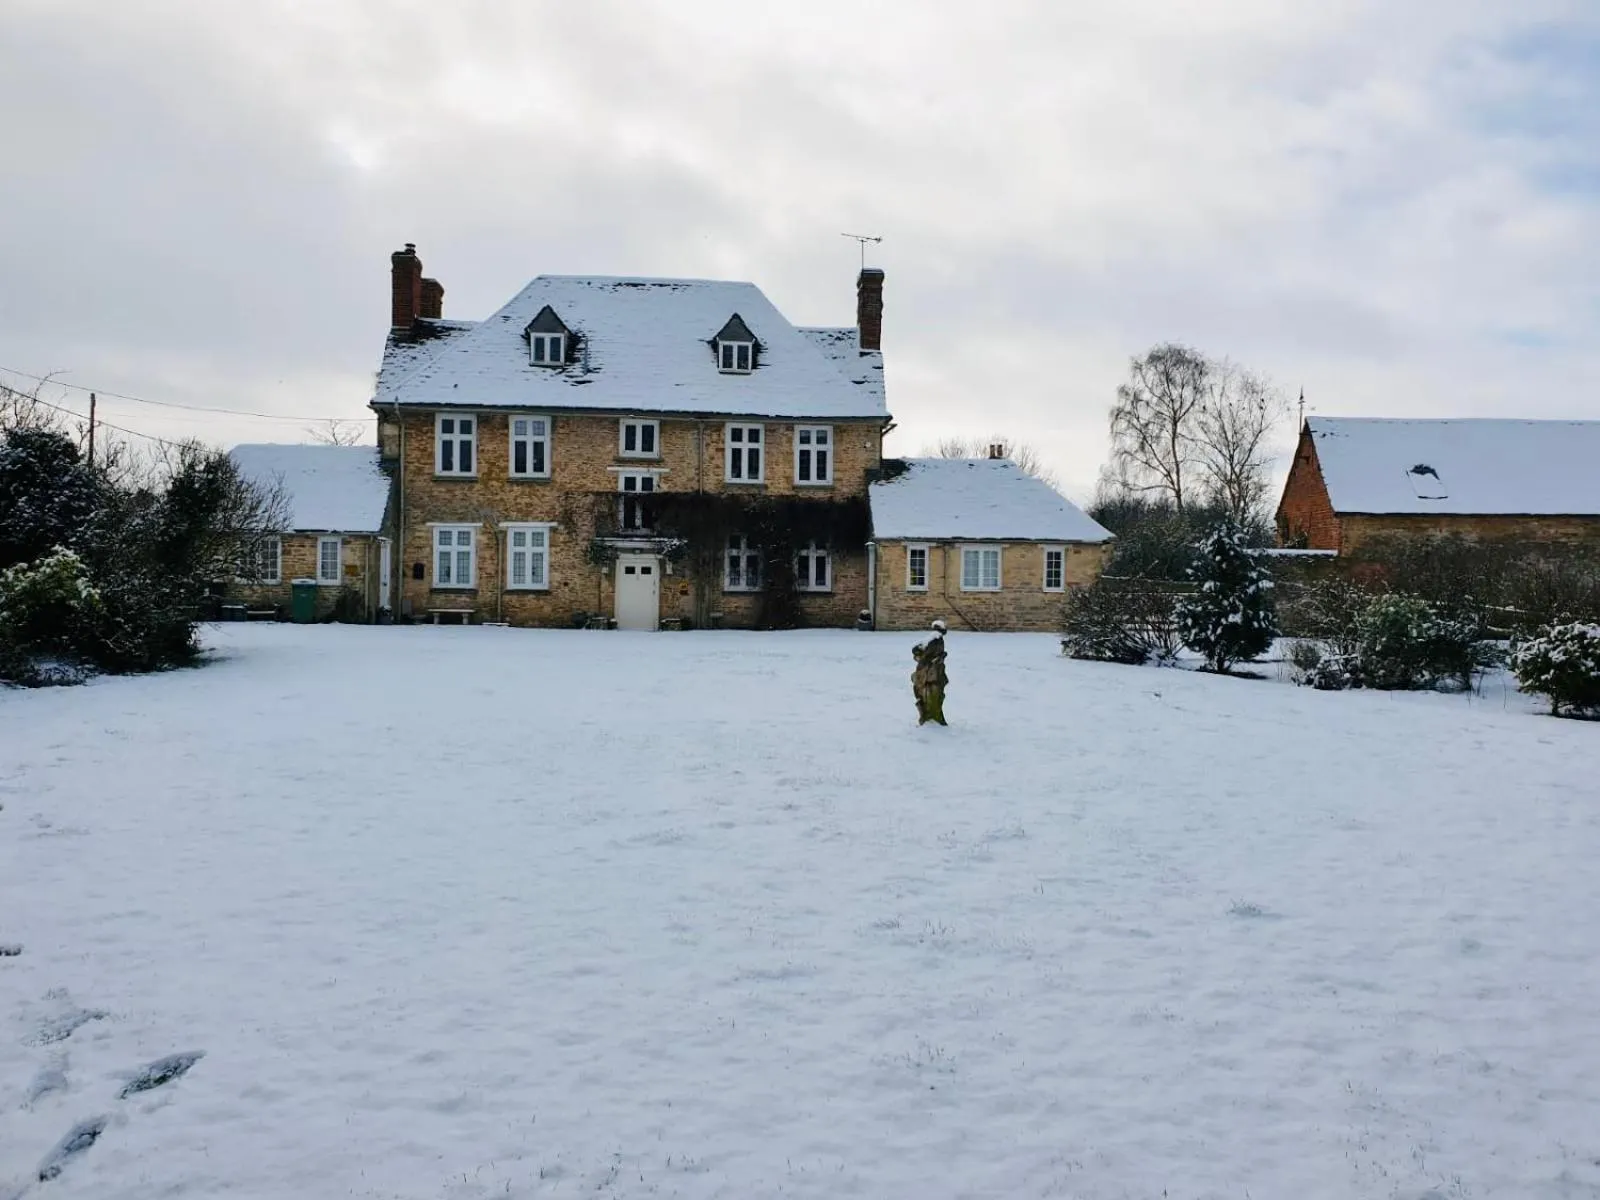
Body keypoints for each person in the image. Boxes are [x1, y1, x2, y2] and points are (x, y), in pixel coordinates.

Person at [911, 620, 949, 726]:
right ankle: (930, 718)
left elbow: (918, 650)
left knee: (934, 696)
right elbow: (917, 650)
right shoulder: (934, 639)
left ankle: (932, 717)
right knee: (928, 696)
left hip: (934, 673)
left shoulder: (936, 639)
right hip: (930, 673)